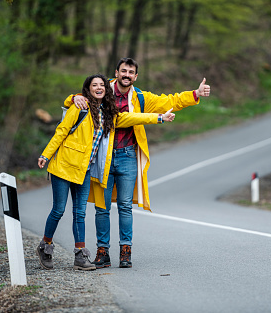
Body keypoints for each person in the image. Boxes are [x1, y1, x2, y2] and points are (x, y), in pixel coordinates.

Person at [63, 57, 210, 268]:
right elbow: (79, 97)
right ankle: (102, 252)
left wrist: (195, 94)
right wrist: (73, 98)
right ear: (116, 72)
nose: (126, 75)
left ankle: (125, 251)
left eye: (131, 72)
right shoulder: (104, 90)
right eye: (123, 71)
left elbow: (169, 101)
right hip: (102, 156)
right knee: (102, 207)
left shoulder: (140, 97)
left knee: (125, 206)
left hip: (128, 156)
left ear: (135, 76)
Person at [36, 73, 176, 271]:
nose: (99, 88)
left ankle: (80, 256)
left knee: (80, 213)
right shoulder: (79, 106)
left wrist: (159, 117)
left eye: (102, 85)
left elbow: (131, 117)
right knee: (58, 210)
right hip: (64, 166)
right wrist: (46, 154)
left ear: (106, 89)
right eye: (95, 85)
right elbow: (61, 130)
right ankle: (45, 246)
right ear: (88, 89)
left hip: (84, 170)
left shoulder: (108, 114)